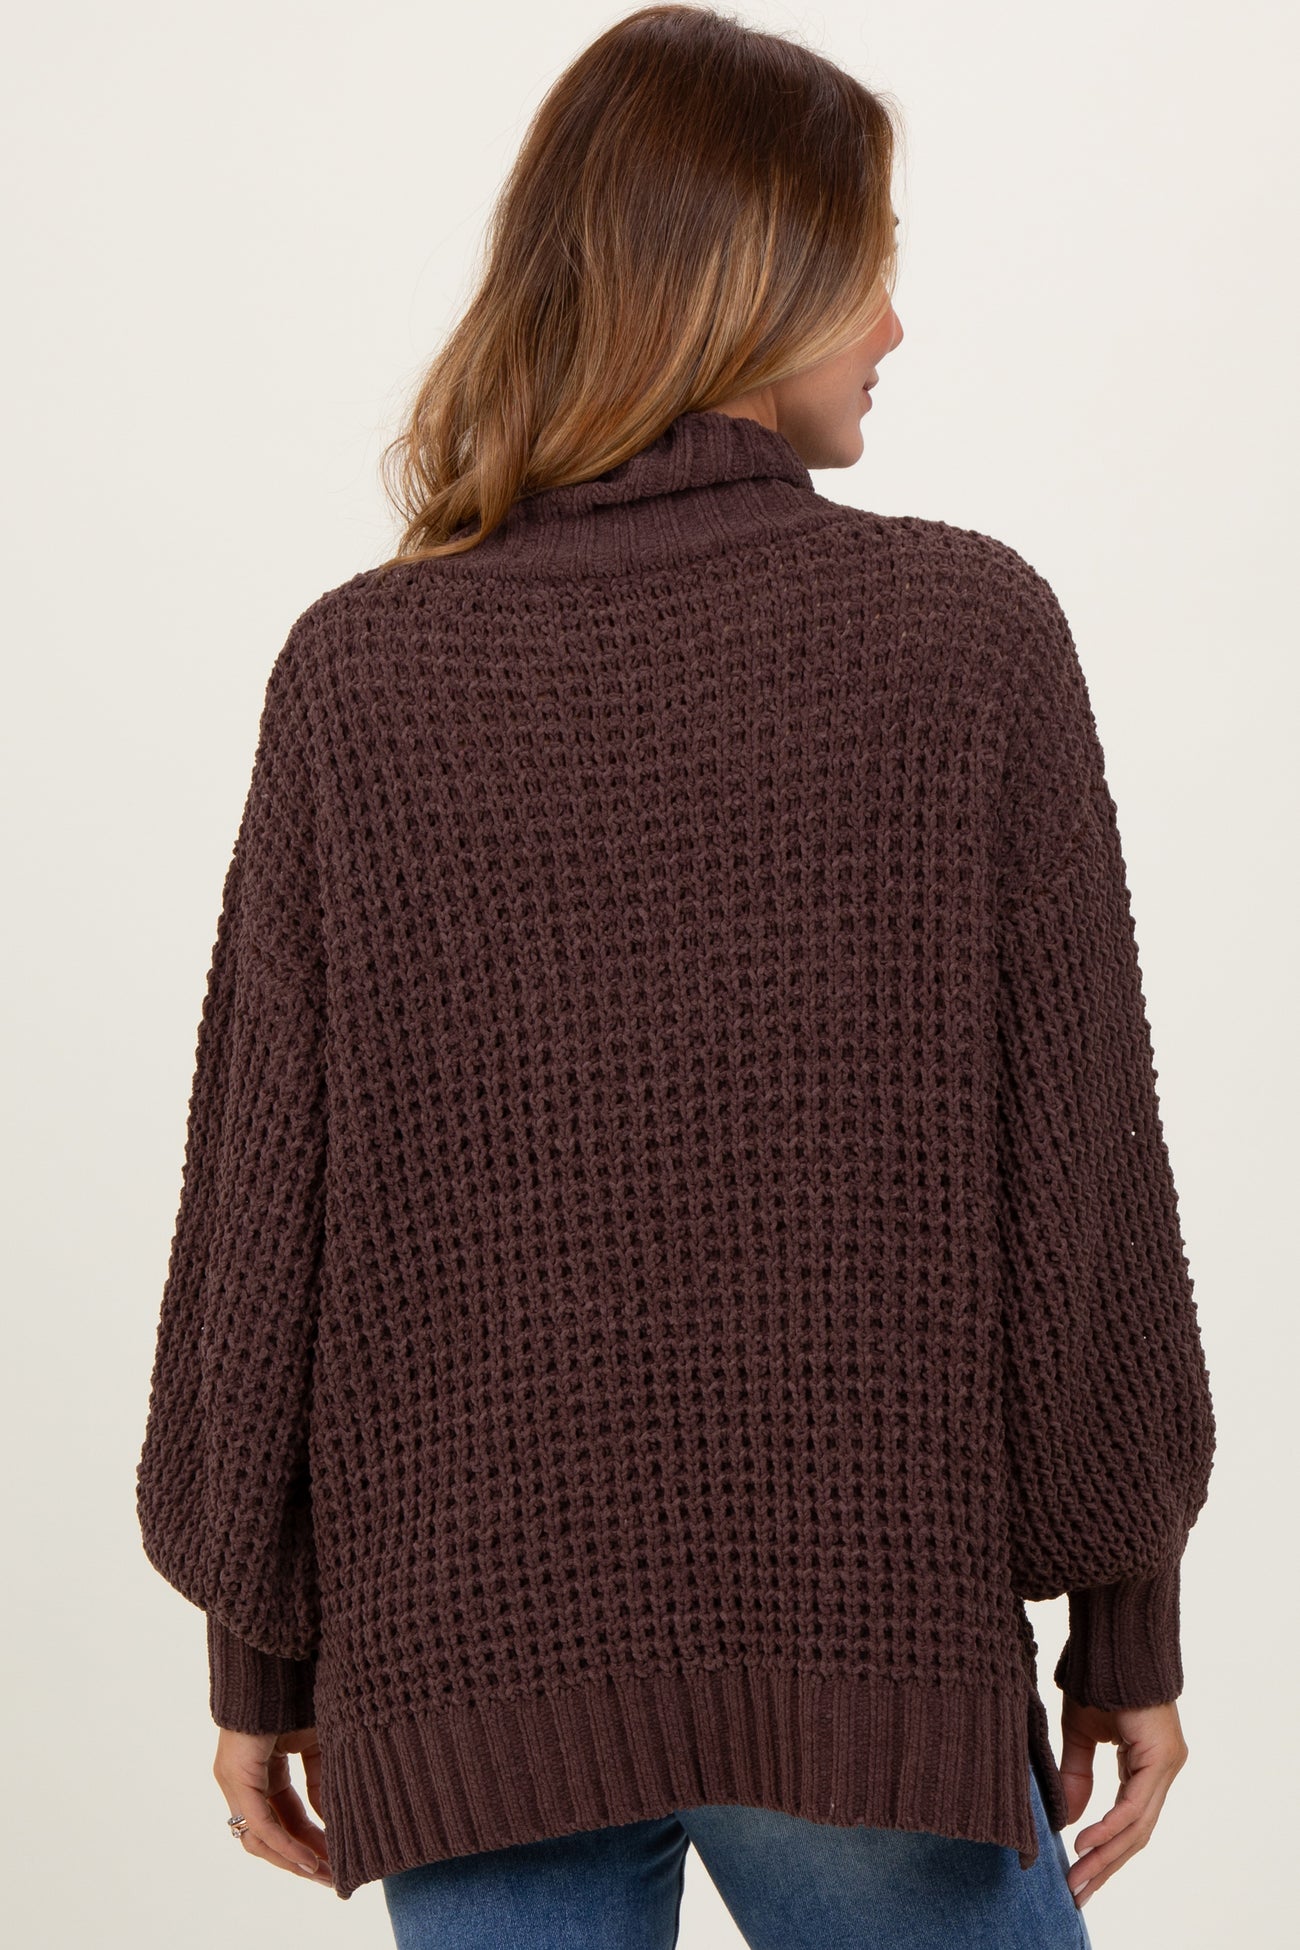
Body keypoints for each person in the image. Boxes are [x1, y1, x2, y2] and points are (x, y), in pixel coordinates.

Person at [135, 6, 1216, 1945]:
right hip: (860, 1649)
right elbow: (1082, 1194)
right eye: (866, 270)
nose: (895, 326)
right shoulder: (966, 634)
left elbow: (260, 1218)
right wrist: (1122, 1619)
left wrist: (262, 1654)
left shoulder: (360, 673)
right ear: (749, 281)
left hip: (460, 1664)